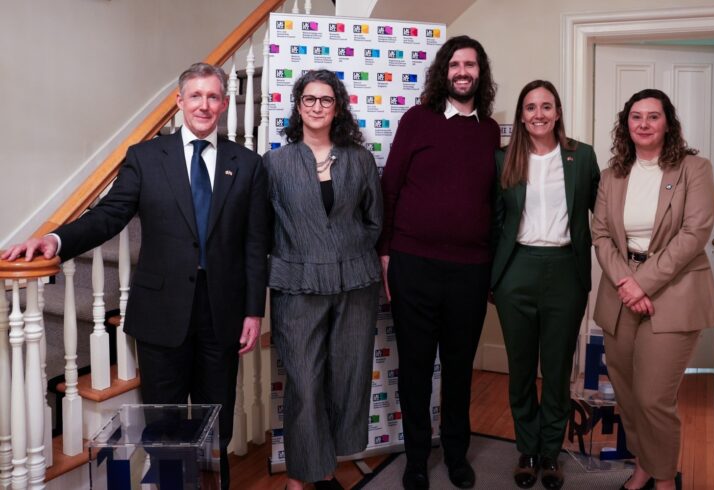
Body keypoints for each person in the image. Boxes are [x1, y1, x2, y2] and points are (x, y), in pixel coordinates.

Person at [1, 62, 269, 489]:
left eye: (213, 96)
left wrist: (254, 311)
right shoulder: (146, 158)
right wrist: (55, 240)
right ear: (179, 102)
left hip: (223, 314)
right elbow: (109, 216)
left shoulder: (249, 163)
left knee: (217, 422)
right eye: (195, 96)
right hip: (161, 313)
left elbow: (255, 244)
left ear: (223, 103)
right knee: (162, 424)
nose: (204, 104)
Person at [378, 35, 500, 490]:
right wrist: (386, 253)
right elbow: (390, 188)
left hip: (470, 271)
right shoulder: (417, 120)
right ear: (443, 72)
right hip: (413, 264)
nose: (462, 71)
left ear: (479, 73)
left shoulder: (489, 130)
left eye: (470, 64)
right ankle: (415, 459)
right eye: (455, 64)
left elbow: (494, 203)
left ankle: (455, 453)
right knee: (413, 368)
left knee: (459, 368)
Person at [592, 88, 714, 490]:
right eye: (636, 116)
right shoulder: (612, 175)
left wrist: (643, 282)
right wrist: (626, 283)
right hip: (621, 291)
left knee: (653, 398)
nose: (644, 124)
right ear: (625, 124)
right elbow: (600, 234)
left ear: (668, 122)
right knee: (628, 395)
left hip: (675, 291)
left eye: (653, 116)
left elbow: (694, 232)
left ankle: (665, 478)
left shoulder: (693, 169)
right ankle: (644, 465)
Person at [265, 69, 382, 490]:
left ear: (338, 108)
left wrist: (345, 251)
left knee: (346, 380)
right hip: (297, 286)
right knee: (304, 384)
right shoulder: (275, 164)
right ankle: (300, 477)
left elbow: (374, 221)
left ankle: (326, 468)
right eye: (309, 100)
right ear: (298, 107)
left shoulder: (359, 159)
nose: (317, 107)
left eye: (325, 100)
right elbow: (266, 227)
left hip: (355, 283)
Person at [491, 80, 600, 490]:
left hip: (565, 272)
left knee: (555, 370)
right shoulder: (503, 159)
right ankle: (527, 449)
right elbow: (495, 221)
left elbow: (602, 213)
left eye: (546, 106)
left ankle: (551, 452)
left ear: (557, 112)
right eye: (531, 107)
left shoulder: (581, 156)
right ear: (521, 115)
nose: (538, 114)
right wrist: (495, 277)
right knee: (520, 370)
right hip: (516, 271)